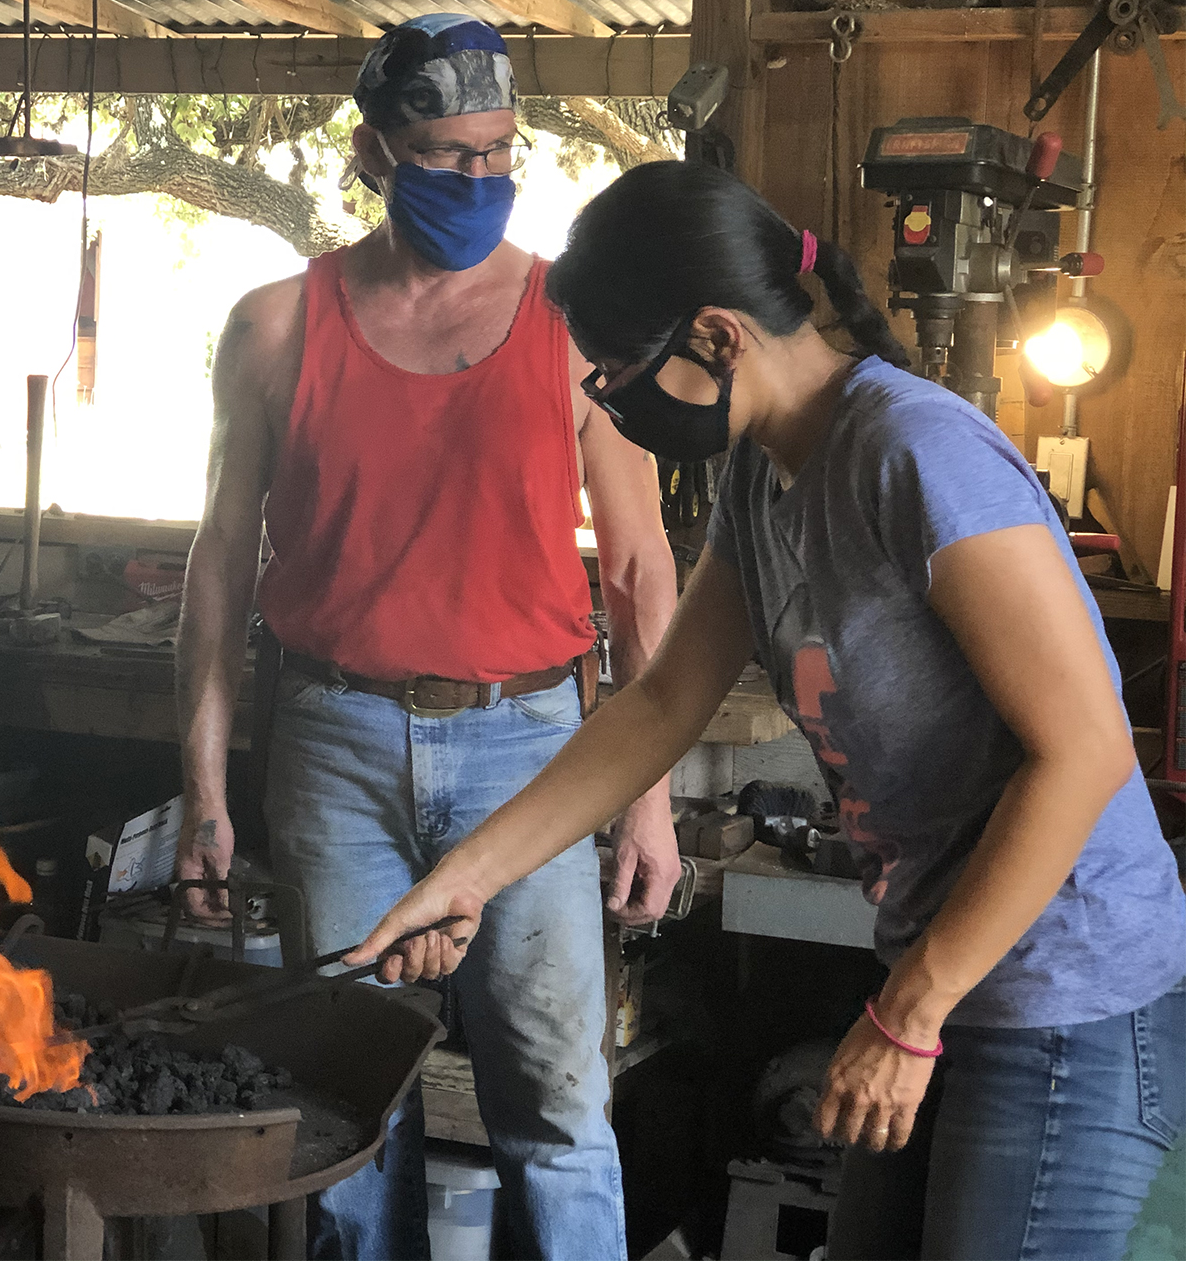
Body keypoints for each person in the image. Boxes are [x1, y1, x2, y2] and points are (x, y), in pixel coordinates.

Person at [347, 159, 1186, 1260]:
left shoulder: (914, 451)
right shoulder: (764, 476)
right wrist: (467, 880)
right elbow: (657, 710)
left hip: (1066, 993)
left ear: (714, 336)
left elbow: (1084, 751)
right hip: (946, 980)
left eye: (617, 372)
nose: (611, 400)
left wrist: (907, 1014)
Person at [173, 14, 681, 1261]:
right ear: (375, 153)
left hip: (534, 750)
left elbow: (636, 568)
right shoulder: (275, 327)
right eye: (445, 154)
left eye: (500, 153)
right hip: (334, 743)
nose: (477, 181)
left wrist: (649, 801)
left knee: (556, 1109)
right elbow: (220, 564)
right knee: (348, 1106)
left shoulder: (577, 323)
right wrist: (202, 790)